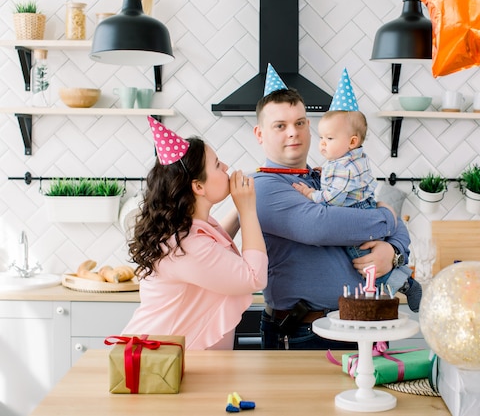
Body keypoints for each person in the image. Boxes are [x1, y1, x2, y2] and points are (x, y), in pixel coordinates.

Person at [251, 64, 412, 350]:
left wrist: (393, 252)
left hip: (363, 323)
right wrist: (388, 217)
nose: (293, 132)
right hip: (305, 332)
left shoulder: (324, 179)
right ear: (260, 134)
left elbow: (394, 229)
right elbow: (320, 225)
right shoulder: (263, 186)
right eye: (280, 125)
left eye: (300, 122)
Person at [123, 116, 268, 350]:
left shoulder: (188, 229)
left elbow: (215, 245)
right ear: (198, 186)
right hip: (159, 363)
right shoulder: (188, 245)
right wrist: (247, 210)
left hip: (169, 358)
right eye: (217, 164)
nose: (226, 168)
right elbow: (254, 277)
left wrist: (242, 207)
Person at [292, 69, 422, 312]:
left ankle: (404, 283)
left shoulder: (344, 167)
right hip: (364, 208)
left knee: (363, 260)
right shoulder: (350, 160)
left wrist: (312, 194)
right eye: (321, 137)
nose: (322, 143)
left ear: (352, 141)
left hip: (354, 213)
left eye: (329, 138)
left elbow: (333, 198)